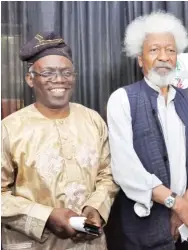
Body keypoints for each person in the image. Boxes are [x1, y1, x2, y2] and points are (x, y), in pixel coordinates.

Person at [106, 11, 188, 250]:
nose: (164, 57)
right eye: (154, 50)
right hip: (144, 230)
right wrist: (176, 205)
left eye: (170, 50)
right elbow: (125, 169)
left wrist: (184, 207)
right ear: (140, 58)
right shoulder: (122, 99)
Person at [1, 31, 119, 249]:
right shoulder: (10, 129)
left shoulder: (92, 120)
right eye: (48, 73)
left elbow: (107, 174)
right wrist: (46, 217)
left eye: (67, 73)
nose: (59, 80)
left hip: (89, 243)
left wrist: (95, 208)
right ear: (30, 78)